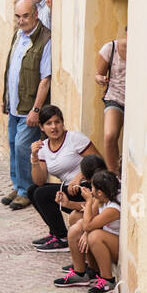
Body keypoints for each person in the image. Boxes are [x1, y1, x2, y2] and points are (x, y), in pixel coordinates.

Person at [0, 0, 52, 211]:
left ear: (36, 15)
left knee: (23, 147)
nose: (21, 21)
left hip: (29, 107)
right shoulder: (18, 35)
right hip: (14, 104)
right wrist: (6, 99)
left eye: (25, 16)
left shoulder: (46, 39)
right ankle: (17, 185)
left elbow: (45, 79)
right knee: (13, 145)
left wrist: (36, 110)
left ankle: (26, 191)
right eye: (18, 16)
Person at [28, 104, 102, 251]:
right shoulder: (43, 147)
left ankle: (62, 238)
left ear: (63, 123)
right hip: (68, 190)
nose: (54, 127)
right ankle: (55, 233)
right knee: (32, 190)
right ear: (42, 127)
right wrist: (35, 158)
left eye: (57, 122)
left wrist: (79, 176)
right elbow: (39, 180)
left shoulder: (74, 138)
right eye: (49, 124)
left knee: (42, 194)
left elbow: (98, 161)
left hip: (86, 189)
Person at [56, 170, 121, 292]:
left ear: (100, 192)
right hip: (107, 240)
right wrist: (68, 203)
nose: (91, 191)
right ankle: (80, 273)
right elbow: (90, 215)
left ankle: (108, 280)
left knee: (94, 236)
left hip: (116, 248)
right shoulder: (103, 197)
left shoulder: (113, 209)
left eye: (92, 188)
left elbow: (88, 225)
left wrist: (90, 200)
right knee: (76, 228)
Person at [95, 29, 127, 174]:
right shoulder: (110, 48)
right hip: (115, 98)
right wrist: (101, 79)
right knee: (109, 135)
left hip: (138, 103)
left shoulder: (144, 50)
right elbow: (98, 75)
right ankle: (114, 176)